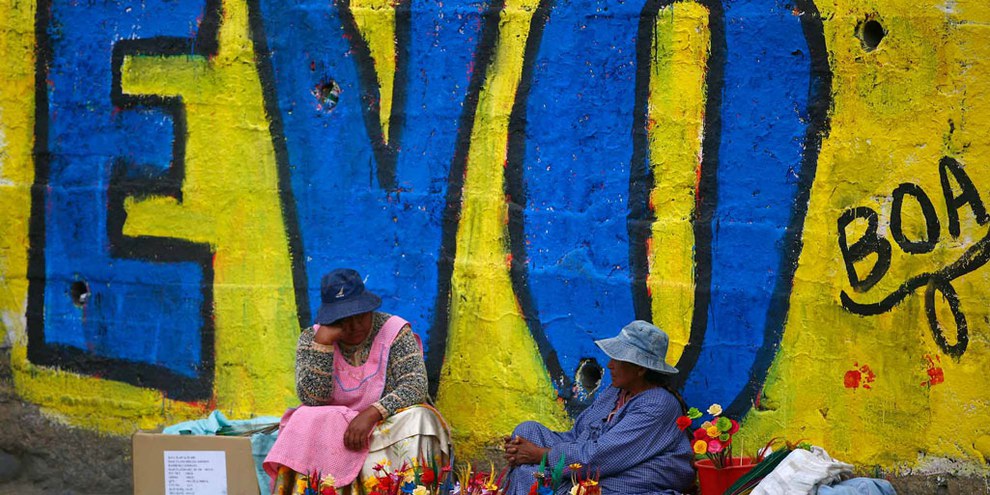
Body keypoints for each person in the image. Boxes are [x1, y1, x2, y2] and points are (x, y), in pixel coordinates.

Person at [264, 268, 450, 494]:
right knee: (302, 417)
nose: (353, 327)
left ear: (369, 308)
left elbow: (415, 385)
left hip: (383, 428)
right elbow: (312, 399)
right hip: (336, 432)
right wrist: (322, 347)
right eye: (343, 320)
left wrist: (372, 413)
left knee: (420, 417)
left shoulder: (394, 331)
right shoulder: (312, 338)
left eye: (359, 316)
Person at [503, 320, 695, 495]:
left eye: (618, 359)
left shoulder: (657, 404)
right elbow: (579, 435)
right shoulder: (616, 391)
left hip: (631, 474)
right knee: (526, 431)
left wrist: (538, 454)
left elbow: (600, 456)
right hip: (597, 461)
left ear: (640, 368)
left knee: (535, 474)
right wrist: (526, 448)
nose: (610, 365)